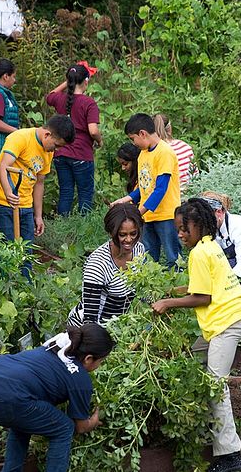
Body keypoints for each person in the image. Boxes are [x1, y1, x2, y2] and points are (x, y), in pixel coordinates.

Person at [151, 198, 241, 472]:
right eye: (178, 229)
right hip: (228, 319)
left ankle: (229, 455)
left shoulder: (199, 254)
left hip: (226, 322)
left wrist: (168, 302)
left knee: (215, 385)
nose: (180, 234)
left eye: (185, 229)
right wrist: (173, 288)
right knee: (190, 360)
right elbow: (203, 285)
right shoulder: (210, 246)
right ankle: (201, 424)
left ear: (200, 225)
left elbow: (203, 297)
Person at [0, 323, 115, 472]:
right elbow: (80, 427)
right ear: (89, 358)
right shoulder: (81, 380)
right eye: (101, 361)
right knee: (64, 428)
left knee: (23, 422)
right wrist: (93, 421)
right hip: (5, 398)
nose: (100, 365)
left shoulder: (56, 345)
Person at [0, 116, 76, 277]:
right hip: (2, 201)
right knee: (7, 248)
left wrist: (38, 215)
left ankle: (25, 287)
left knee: (26, 250)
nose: (55, 150)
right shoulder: (20, 138)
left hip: (25, 204)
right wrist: (8, 192)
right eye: (56, 145)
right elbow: (3, 167)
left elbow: (39, 182)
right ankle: (5, 286)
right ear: (47, 135)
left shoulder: (48, 152)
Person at [110, 113, 182, 268]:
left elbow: (160, 189)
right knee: (148, 256)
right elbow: (143, 187)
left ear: (142, 133)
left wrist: (138, 212)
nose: (133, 143)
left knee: (173, 257)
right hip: (148, 216)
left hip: (166, 215)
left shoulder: (165, 153)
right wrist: (126, 199)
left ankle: (178, 287)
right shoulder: (143, 153)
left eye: (132, 138)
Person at [68, 204, 146, 327]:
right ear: (111, 233)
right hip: (88, 327)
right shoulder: (98, 264)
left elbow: (142, 289)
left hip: (116, 325)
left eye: (133, 233)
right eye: (122, 235)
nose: (129, 240)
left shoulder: (139, 250)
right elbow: (90, 319)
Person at [46, 64, 103, 216]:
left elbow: (49, 95)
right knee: (85, 193)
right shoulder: (88, 103)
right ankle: (83, 226)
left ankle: (63, 225)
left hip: (60, 153)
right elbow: (93, 130)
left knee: (66, 191)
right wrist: (99, 140)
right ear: (86, 81)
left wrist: (68, 81)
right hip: (81, 154)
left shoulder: (60, 99)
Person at [153, 113, 195, 188]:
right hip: (191, 194)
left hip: (170, 196)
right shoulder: (185, 146)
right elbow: (195, 176)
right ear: (170, 128)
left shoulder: (155, 151)